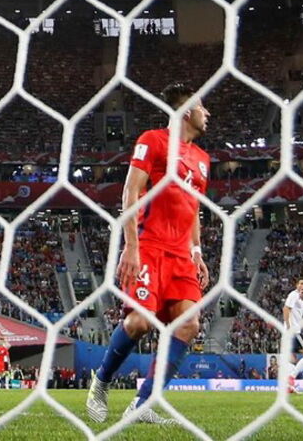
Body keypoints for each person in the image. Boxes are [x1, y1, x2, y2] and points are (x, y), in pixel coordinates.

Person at [85, 83, 212, 426]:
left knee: (188, 325)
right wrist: (131, 246)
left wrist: (197, 250)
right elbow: (130, 190)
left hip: (181, 255)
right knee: (139, 322)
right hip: (149, 246)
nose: (208, 113)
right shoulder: (153, 140)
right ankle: (101, 381)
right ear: (187, 110)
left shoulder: (202, 160)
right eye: (203, 107)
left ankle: (142, 405)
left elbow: (193, 209)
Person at [281, 278, 303, 392]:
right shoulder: (294, 295)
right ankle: (291, 377)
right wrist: (288, 326)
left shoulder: (301, 301)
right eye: (301, 283)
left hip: (295, 331)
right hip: (293, 332)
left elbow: (298, 319)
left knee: (292, 359)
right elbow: (286, 309)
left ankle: (289, 386)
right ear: (297, 285)